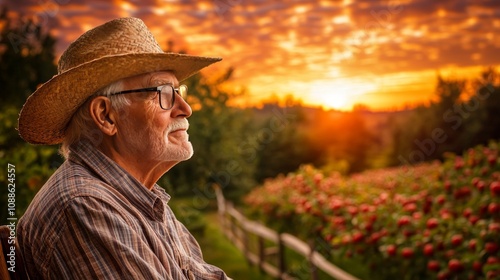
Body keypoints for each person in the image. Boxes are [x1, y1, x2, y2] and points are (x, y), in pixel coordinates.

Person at [17, 17, 230, 279]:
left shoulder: (136, 198)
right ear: (106, 115)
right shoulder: (87, 206)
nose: (186, 109)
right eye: (163, 93)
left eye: (179, 91)